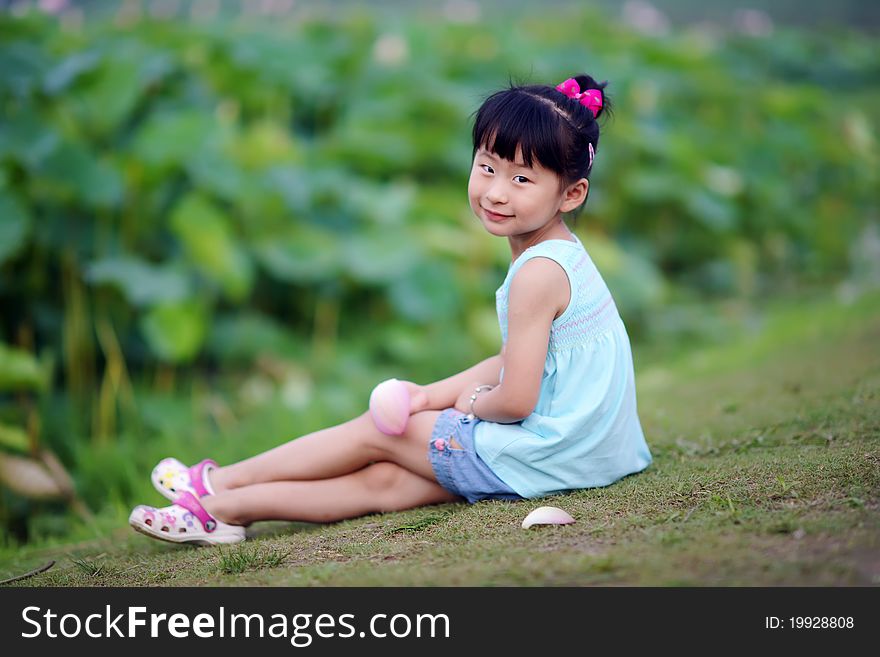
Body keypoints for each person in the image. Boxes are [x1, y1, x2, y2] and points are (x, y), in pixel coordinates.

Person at [129, 73, 653, 545]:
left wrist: (461, 404)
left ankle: (216, 481)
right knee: (383, 482)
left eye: (521, 179)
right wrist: (428, 395)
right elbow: (517, 359)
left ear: (571, 194)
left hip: (547, 455)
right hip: (588, 456)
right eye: (487, 167)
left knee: (383, 431)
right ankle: (222, 513)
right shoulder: (561, 256)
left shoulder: (536, 274)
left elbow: (513, 397)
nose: (495, 192)